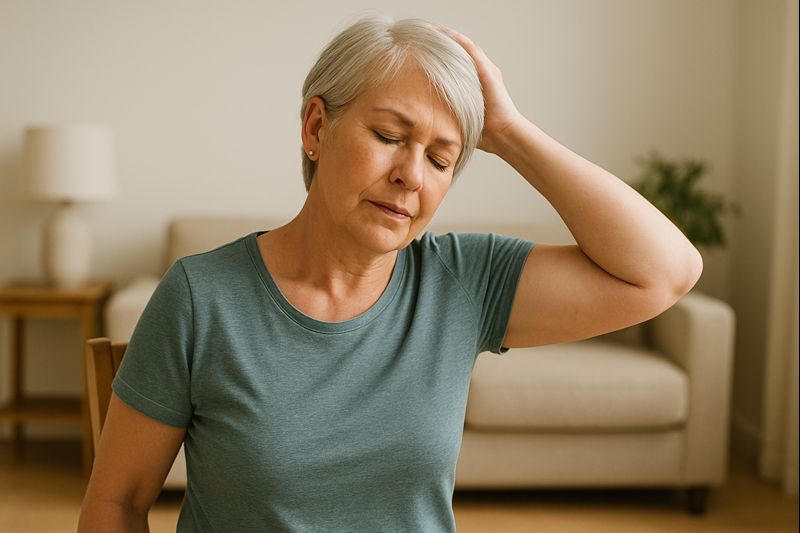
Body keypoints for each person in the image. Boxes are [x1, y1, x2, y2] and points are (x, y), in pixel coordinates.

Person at [78, 14, 702, 532]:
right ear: (316, 128)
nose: (411, 174)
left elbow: (665, 273)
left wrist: (508, 131)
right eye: (388, 135)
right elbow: (117, 503)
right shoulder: (200, 297)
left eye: (440, 158)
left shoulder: (462, 282)